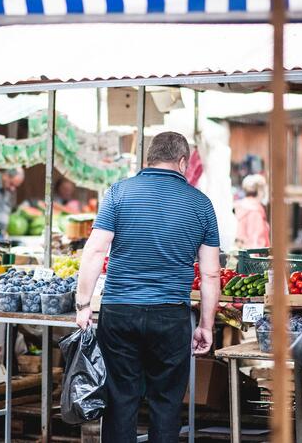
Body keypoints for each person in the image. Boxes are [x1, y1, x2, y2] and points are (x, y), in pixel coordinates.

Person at [74, 131, 221, 443]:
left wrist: (83, 304)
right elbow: (210, 275)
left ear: (148, 159)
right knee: (166, 403)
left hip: (119, 312)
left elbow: (96, 250)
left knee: (120, 399)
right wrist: (206, 325)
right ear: (183, 162)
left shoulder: (118, 193)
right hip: (171, 316)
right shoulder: (201, 204)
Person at [234, 174, 270, 249]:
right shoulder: (255, 210)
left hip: (239, 254)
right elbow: (256, 241)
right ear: (260, 191)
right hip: (251, 258)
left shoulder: (239, 206)